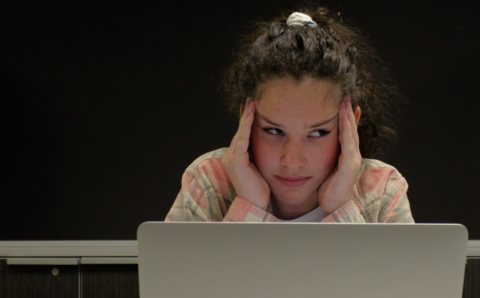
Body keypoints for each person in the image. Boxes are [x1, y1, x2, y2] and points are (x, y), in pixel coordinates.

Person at [165, 7, 413, 223]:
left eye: (318, 132)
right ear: (246, 120)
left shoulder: (382, 192)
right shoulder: (209, 182)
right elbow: (176, 278)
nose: (292, 161)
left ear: (350, 124)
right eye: (274, 131)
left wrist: (340, 209)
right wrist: (249, 207)